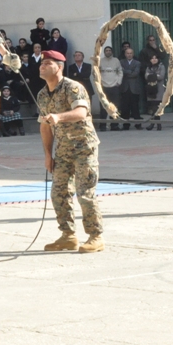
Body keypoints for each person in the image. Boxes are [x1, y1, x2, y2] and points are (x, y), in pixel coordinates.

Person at [36, 50, 104, 254]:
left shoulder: (73, 88)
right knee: (59, 193)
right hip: (63, 151)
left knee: (85, 193)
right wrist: (48, 154)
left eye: (48, 63)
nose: (42, 66)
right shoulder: (42, 95)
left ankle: (95, 236)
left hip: (84, 148)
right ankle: (68, 235)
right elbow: (44, 126)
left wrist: (58, 117)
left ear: (60, 66)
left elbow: (81, 113)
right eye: (41, 63)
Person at [118, 47, 142, 130]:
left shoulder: (137, 63)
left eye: (130, 53)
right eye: (127, 53)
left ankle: (138, 124)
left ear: (133, 54)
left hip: (134, 88)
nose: (129, 55)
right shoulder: (121, 62)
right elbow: (120, 71)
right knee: (125, 108)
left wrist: (126, 71)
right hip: (124, 87)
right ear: (125, 54)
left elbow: (135, 74)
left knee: (135, 107)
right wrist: (129, 71)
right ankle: (126, 125)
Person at [144, 53, 166, 131]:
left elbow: (161, 76)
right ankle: (157, 124)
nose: (154, 59)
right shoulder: (148, 67)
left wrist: (152, 75)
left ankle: (154, 124)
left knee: (157, 107)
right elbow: (146, 76)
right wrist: (155, 75)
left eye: (155, 58)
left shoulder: (161, 66)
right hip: (151, 89)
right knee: (153, 108)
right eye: (152, 58)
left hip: (159, 89)